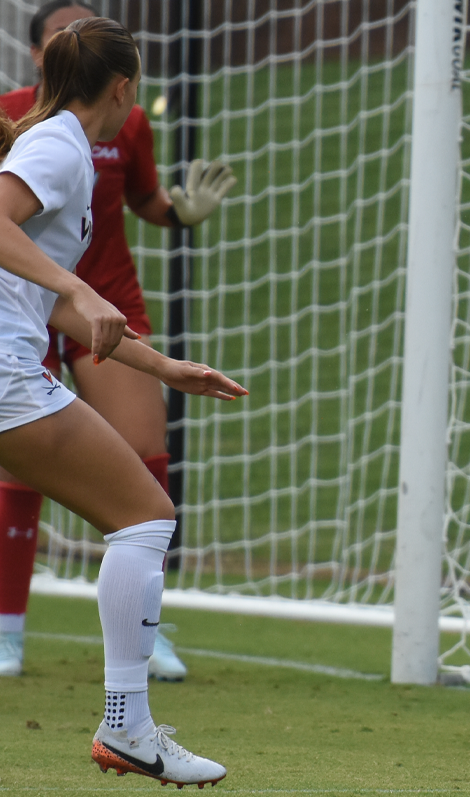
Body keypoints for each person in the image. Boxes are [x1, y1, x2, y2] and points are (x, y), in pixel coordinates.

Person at [0, 16, 244, 786]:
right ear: (126, 87)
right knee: (145, 517)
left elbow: (59, 306)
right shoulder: (59, 145)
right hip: (7, 378)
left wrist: (163, 365)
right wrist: (73, 281)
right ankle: (127, 726)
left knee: (141, 515)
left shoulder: (53, 142)